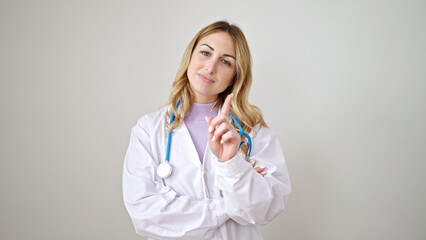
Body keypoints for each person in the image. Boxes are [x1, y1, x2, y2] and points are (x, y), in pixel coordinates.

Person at [122, 20, 291, 240]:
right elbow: (145, 213)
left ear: (235, 75)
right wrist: (226, 209)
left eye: (225, 62)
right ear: (190, 56)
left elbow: (265, 210)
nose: (210, 68)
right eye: (205, 53)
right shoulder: (148, 130)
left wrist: (232, 164)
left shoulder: (253, 131)